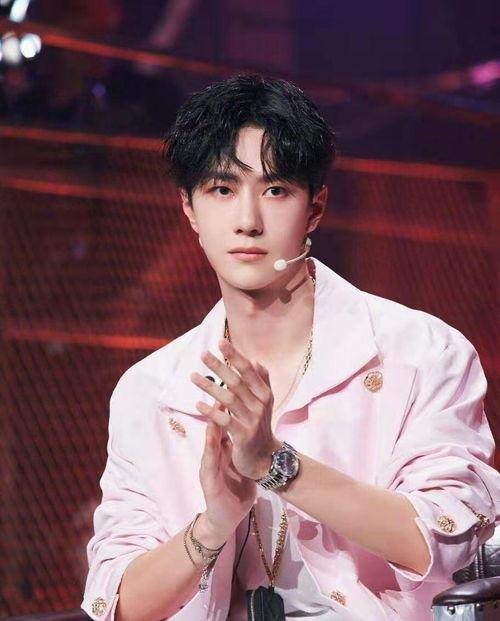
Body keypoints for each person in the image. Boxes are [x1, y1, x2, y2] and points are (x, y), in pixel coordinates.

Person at [81, 74, 500, 621]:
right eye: (222, 190)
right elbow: (119, 603)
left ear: (315, 207)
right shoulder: (150, 391)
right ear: (189, 209)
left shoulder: (422, 354)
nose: (248, 222)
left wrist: (276, 465)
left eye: (275, 191)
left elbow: (450, 547)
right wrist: (213, 524)